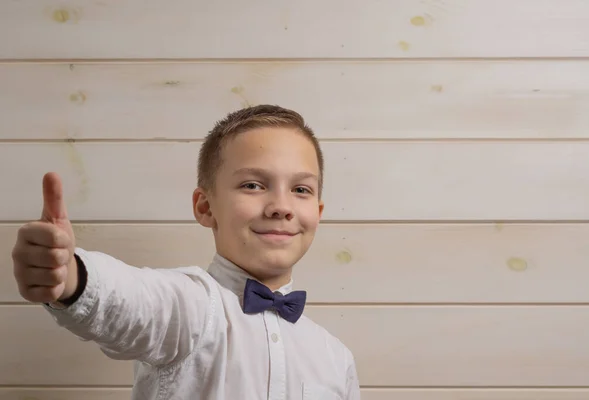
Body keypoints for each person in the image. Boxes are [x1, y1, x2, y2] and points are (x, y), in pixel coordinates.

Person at [11, 104, 361, 399]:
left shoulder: (335, 357)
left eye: (301, 189)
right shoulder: (189, 307)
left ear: (317, 211)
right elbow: (131, 299)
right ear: (205, 207)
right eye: (253, 185)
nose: (281, 206)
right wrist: (71, 276)